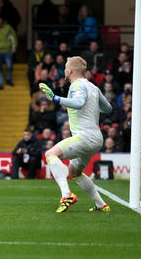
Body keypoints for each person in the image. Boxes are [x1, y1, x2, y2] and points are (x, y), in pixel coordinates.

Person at [39, 56, 113, 213]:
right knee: (74, 171)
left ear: (70, 70)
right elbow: (108, 108)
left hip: (85, 136)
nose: (65, 70)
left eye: (66, 67)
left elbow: (79, 103)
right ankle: (101, 205)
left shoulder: (77, 85)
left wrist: (55, 98)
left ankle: (66, 195)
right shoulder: (93, 87)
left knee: (51, 154)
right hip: (97, 138)